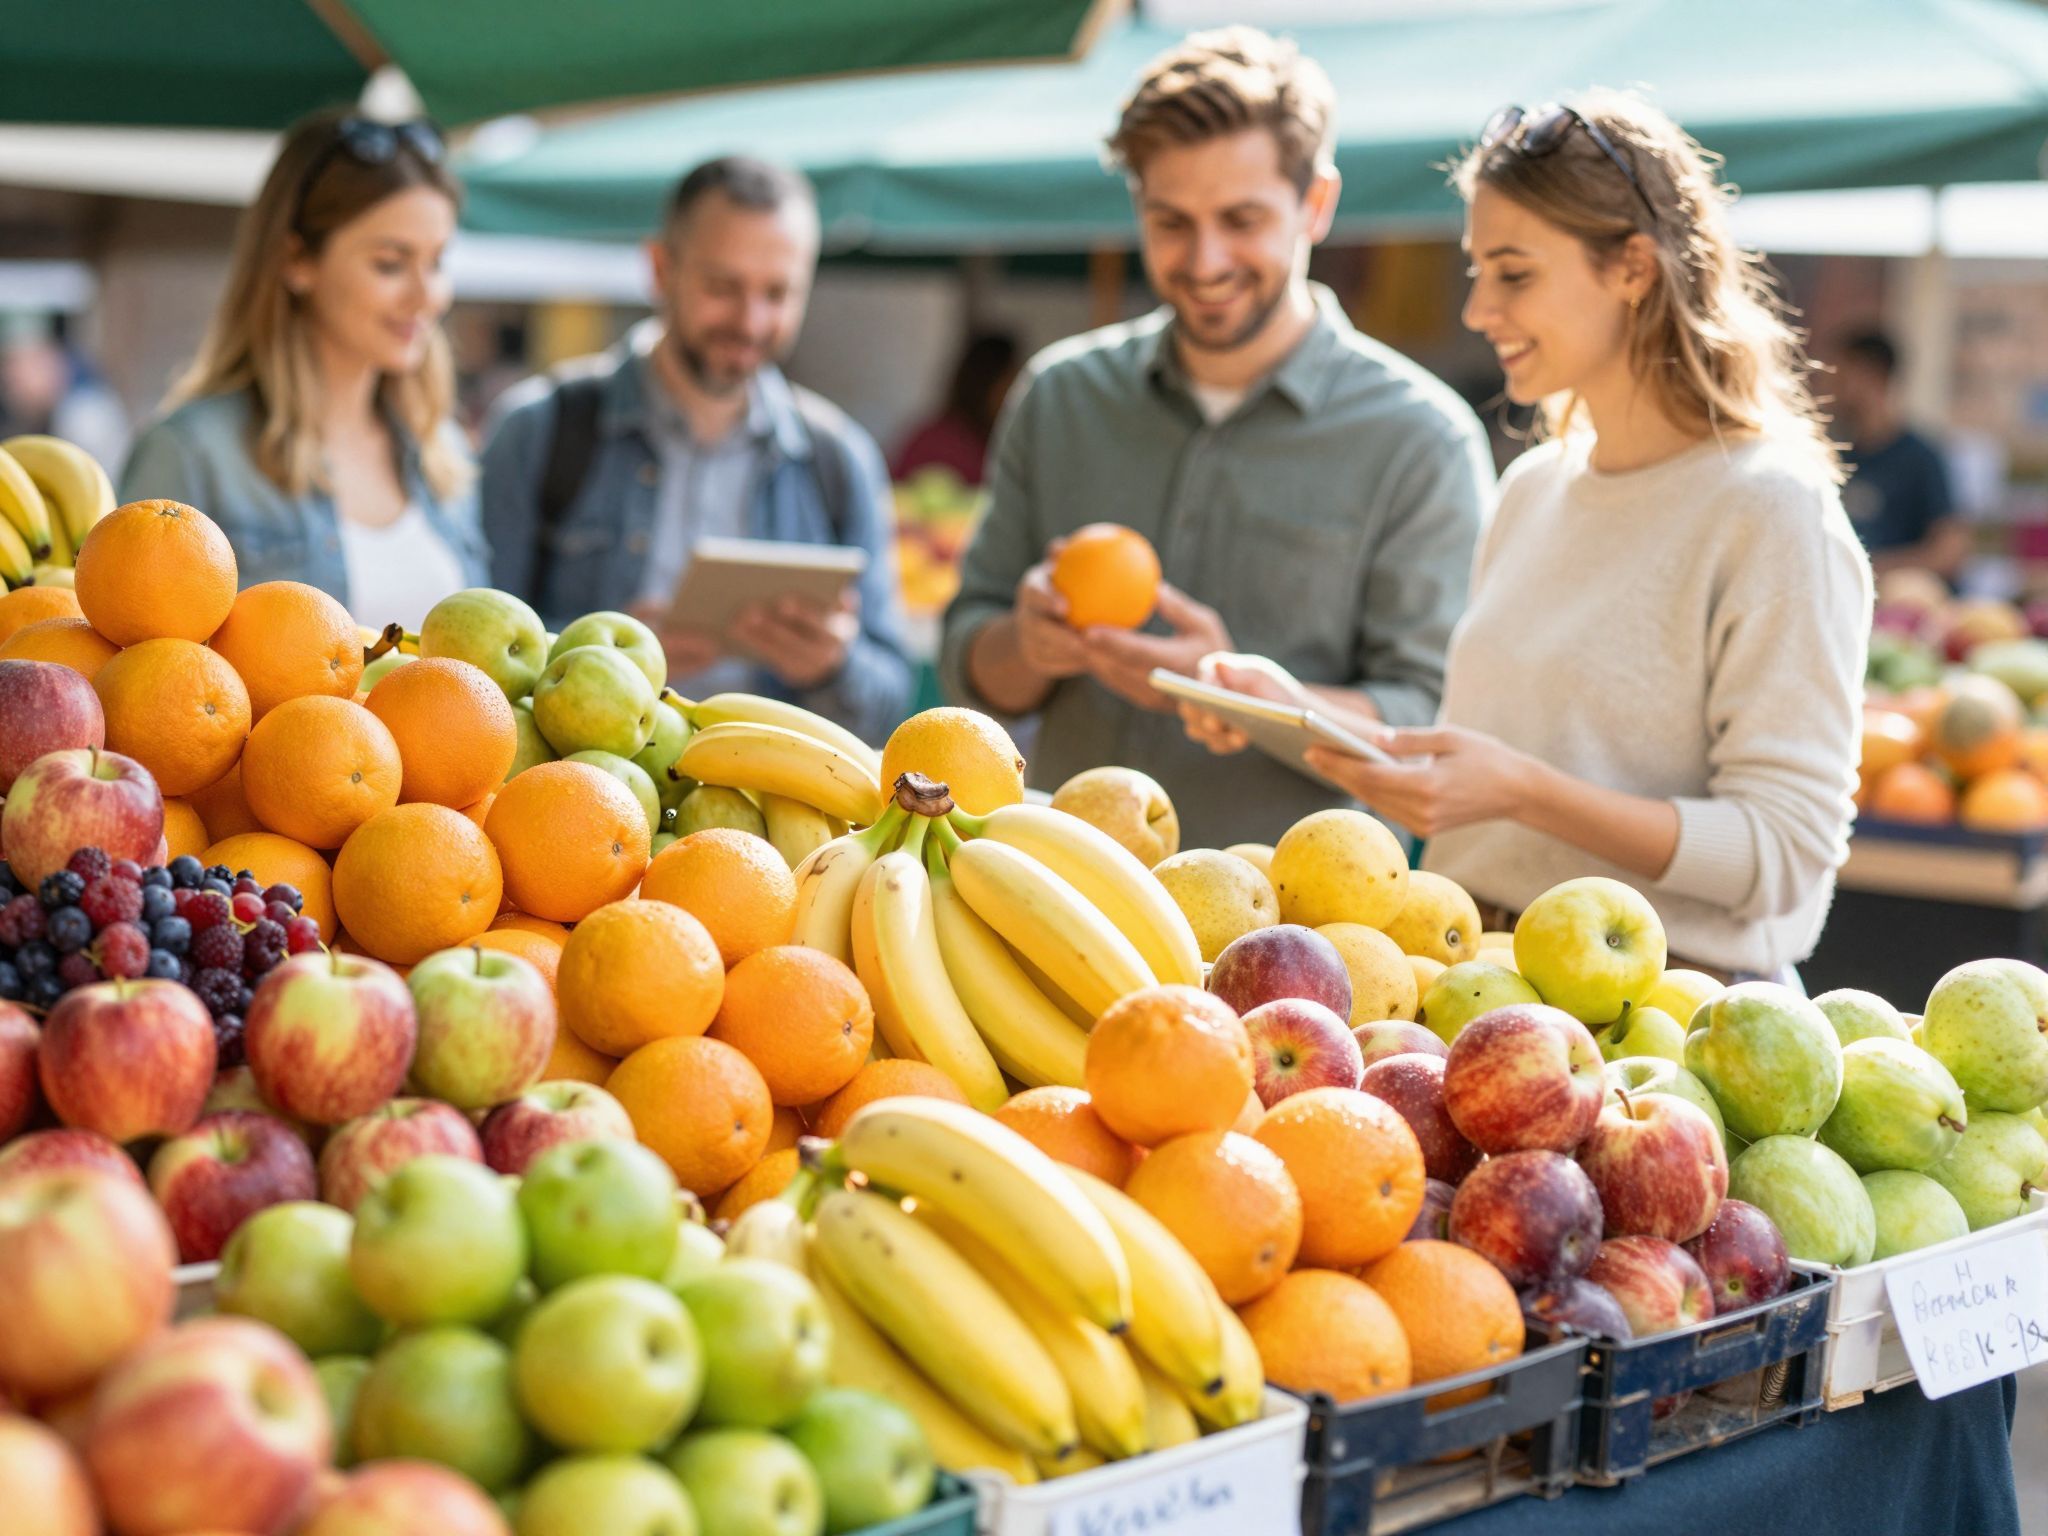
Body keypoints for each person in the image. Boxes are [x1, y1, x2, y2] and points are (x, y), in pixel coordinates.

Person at [1181, 93, 1872, 986]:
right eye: (1478, 271)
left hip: (1665, 1021)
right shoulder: (1534, 489)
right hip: (1468, 981)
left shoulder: (1770, 510)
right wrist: (1292, 708)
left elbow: (1782, 855)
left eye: (1513, 273)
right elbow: (1489, 752)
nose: (1477, 311)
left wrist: (1526, 795)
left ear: (1631, 268)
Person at [938, 28, 1492, 848]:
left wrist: (1246, 700)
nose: (1204, 260)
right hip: (1059, 890)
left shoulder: (1422, 439)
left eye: (1241, 220)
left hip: (1294, 927)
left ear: (1316, 203)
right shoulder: (1060, 397)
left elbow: (1425, 725)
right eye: (1170, 221)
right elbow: (967, 662)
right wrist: (1028, 644)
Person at [480, 157, 912, 746]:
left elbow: (892, 700)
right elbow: (471, 664)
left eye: (778, 293)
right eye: (723, 287)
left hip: (768, 805)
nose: (751, 320)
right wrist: (597, 660)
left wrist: (833, 666)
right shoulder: (539, 431)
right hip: (581, 803)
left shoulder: (840, 461)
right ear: (661, 268)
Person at [121, 111, 485, 632]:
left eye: (438, 262)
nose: (427, 296)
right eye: (390, 263)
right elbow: (131, 668)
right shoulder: (193, 454)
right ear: (297, 260)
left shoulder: (443, 452)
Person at [1831, 329, 1966, 578]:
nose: (1831, 388)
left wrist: (1871, 569)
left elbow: (1950, 551)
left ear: (1872, 375)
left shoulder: (1920, 458)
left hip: (1902, 603)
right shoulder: (1834, 456)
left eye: (1841, 376)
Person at [889, 330, 1020, 486]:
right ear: (985, 384)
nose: (1015, 397)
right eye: (1009, 384)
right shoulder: (940, 446)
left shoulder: (998, 443)